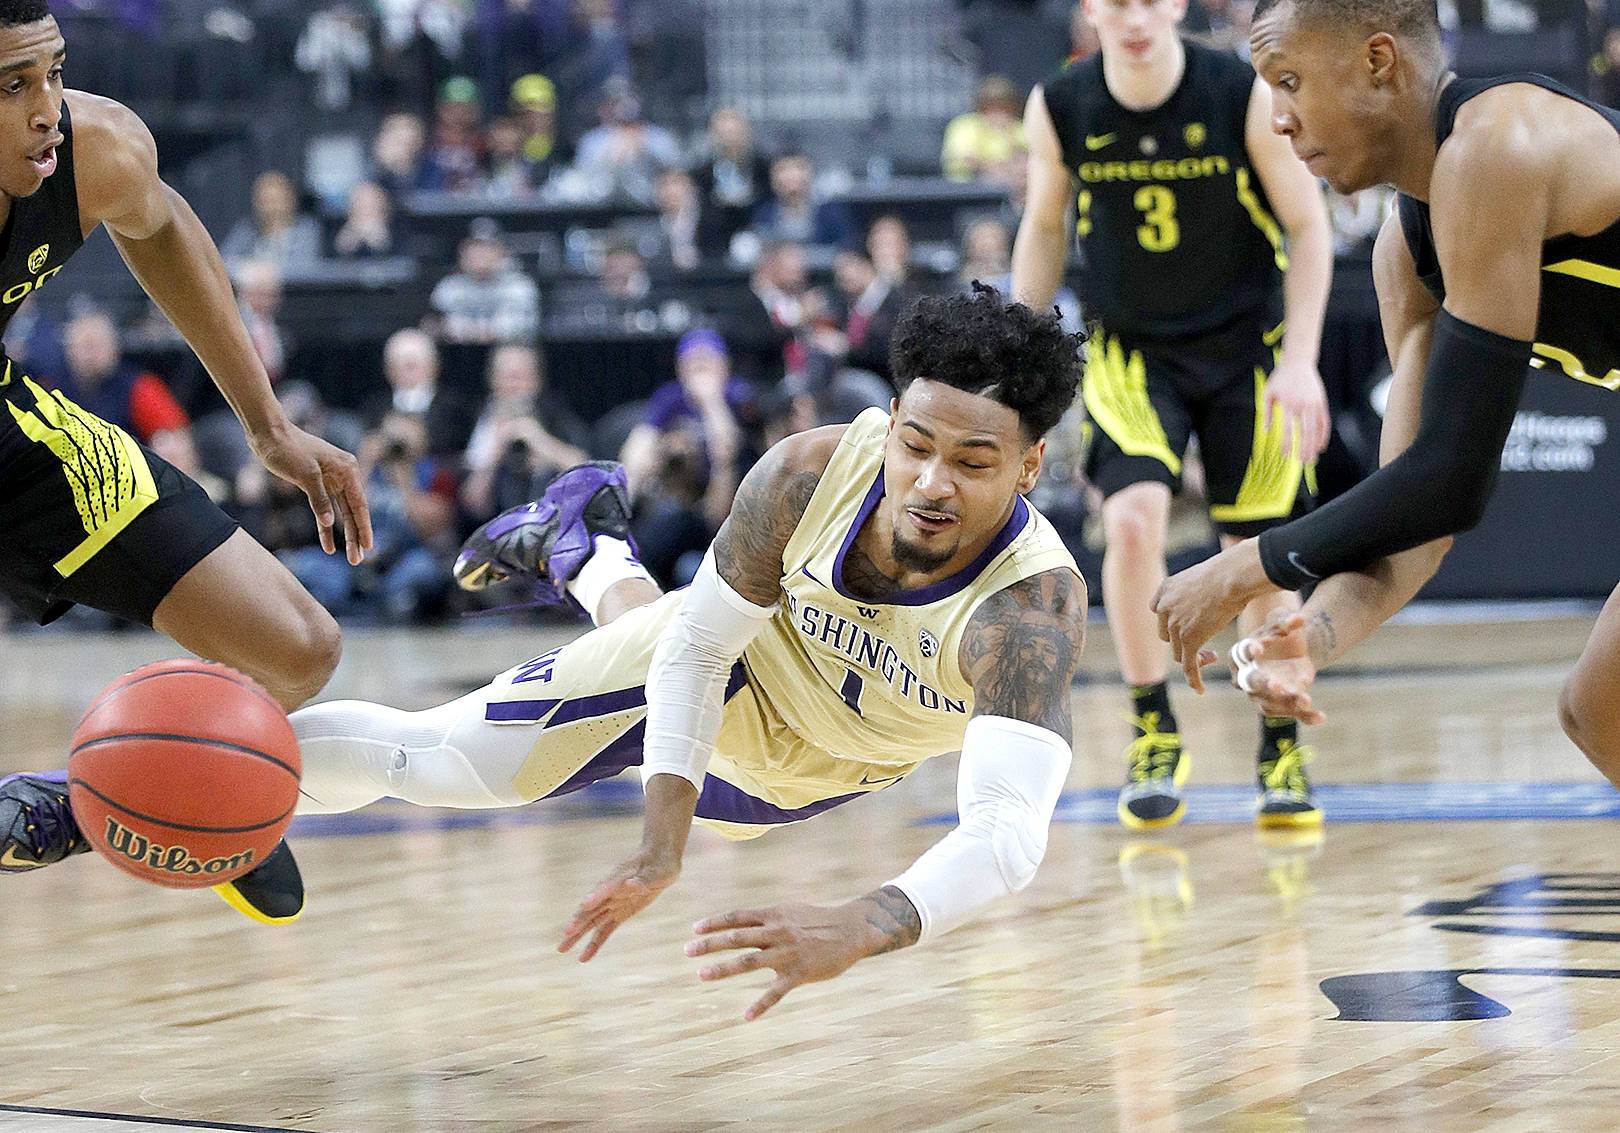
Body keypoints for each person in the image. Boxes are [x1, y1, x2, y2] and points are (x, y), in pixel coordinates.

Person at [290, 285, 1088, 1019]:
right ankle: (224, 790)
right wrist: (657, 847)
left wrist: (857, 924)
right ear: (889, 418)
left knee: (685, 746)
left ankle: (584, 546)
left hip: (816, 772)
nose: (930, 483)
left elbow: (1007, 831)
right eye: (914, 445)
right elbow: (698, 648)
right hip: (734, 667)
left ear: (1029, 466)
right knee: (448, 762)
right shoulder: (808, 477)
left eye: (972, 462)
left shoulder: (1029, 611)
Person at [1148, 0, 1620, 804]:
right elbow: (1418, 519)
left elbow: (1453, 476)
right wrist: (1312, 640)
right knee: (1598, 711)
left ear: (1378, 62)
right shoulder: (1404, 256)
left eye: (1291, 80)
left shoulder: (1499, 144)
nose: (1281, 121)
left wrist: (1243, 568)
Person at [0, 0, 372, 923]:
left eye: (51, 71)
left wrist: (268, 425)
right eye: (13, 85)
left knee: (299, 646)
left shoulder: (97, 147)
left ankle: (109, 792)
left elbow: (160, 227)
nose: (48, 107)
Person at [1012, 0, 1334, 830]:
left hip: (1248, 348)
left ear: (1178, 5)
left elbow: (1308, 224)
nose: (1135, 15)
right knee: (1130, 522)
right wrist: (1017, 359)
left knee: (1254, 551)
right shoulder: (1061, 105)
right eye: (1116, 0)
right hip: (1131, 350)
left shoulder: (1239, 91)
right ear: (1091, 9)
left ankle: (1278, 739)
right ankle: (1152, 726)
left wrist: (1300, 362)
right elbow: (1045, 225)